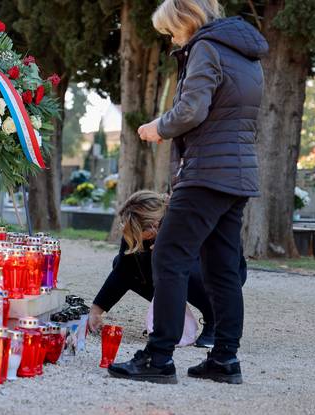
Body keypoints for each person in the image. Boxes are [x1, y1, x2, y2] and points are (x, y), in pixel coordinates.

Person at [107, 0, 268, 385]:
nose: (171, 39)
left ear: (185, 22)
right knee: (222, 268)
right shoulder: (246, 54)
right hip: (237, 175)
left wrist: (157, 127)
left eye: (171, 32)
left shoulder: (205, 48)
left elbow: (193, 109)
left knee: (168, 254)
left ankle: (159, 357)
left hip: (206, 173)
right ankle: (225, 359)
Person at [89, 190, 247, 348]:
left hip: (221, 272)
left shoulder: (187, 219)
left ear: (154, 226)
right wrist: (96, 310)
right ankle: (168, 318)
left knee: (174, 264)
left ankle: (214, 320)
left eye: (137, 232)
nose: (131, 236)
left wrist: (163, 248)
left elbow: (213, 255)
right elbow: (122, 271)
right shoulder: (137, 231)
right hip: (181, 269)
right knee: (125, 262)